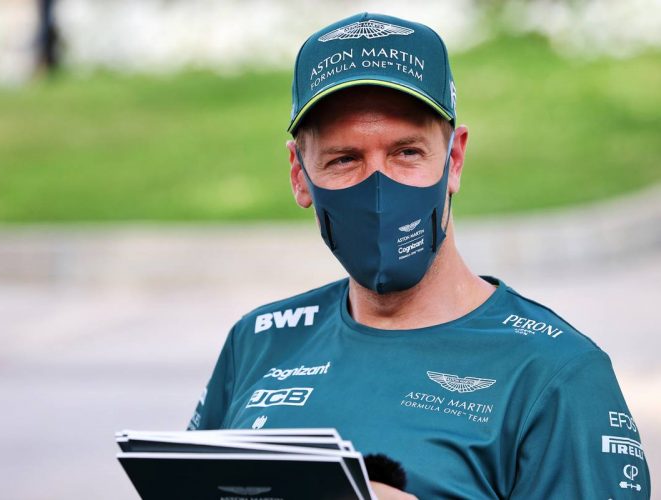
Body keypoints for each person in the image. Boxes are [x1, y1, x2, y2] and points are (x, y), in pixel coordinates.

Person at [188, 12, 651, 499]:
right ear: (299, 176)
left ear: (454, 160)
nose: (378, 186)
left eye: (406, 152)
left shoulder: (555, 373)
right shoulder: (258, 343)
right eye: (344, 159)